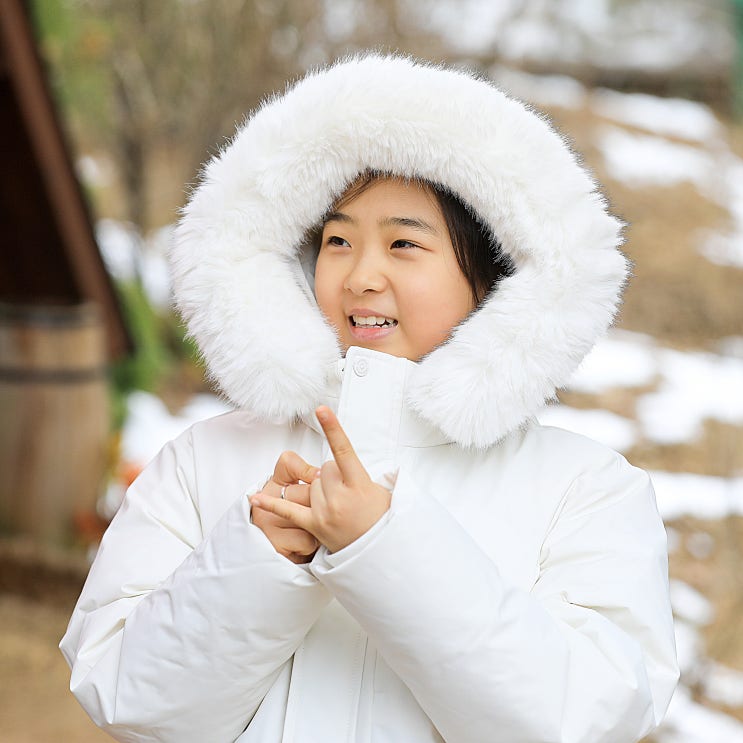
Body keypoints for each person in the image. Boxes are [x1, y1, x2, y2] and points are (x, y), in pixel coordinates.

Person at [60, 54, 679, 742]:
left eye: (404, 243)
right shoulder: (205, 460)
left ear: (496, 274)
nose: (360, 276)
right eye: (338, 240)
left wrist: (386, 549)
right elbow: (128, 699)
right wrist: (258, 562)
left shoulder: (584, 491)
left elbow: (581, 718)